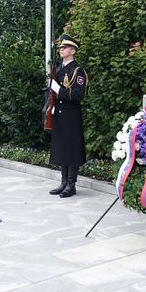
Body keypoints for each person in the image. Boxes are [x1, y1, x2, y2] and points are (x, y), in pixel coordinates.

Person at [47, 34, 87, 198]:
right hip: (59, 113)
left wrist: (57, 88)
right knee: (62, 148)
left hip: (71, 114)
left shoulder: (77, 71)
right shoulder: (59, 69)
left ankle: (71, 184)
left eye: (65, 47)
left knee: (72, 149)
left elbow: (78, 94)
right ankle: (63, 182)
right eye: (61, 47)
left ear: (73, 50)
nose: (61, 50)